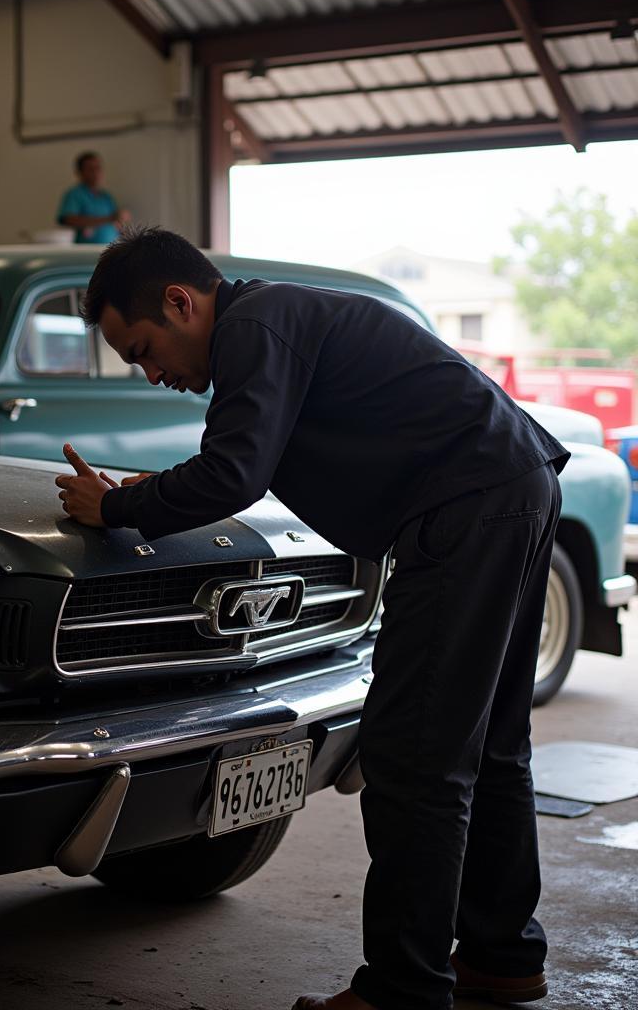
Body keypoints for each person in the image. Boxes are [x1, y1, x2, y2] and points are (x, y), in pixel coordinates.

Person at [54, 227, 567, 1010]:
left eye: (144, 349)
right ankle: (501, 954)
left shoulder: (254, 329)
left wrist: (119, 507)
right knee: (490, 744)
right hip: (511, 487)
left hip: (467, 509)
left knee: (411, 759)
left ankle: (402, 988)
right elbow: (240, 459)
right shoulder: (277, 322)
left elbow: (232, 471)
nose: (153, 373)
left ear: (181, 301)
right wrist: (153, 488)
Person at [56, 152, 130, 244]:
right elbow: (68, 219)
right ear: (79, 173)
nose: (96, 172)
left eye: (98, 168)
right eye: (90, 169)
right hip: (86, 252)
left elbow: (116, 223)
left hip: (111, 250)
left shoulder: (106, 196)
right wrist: (108, 219)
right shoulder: (75, 195)